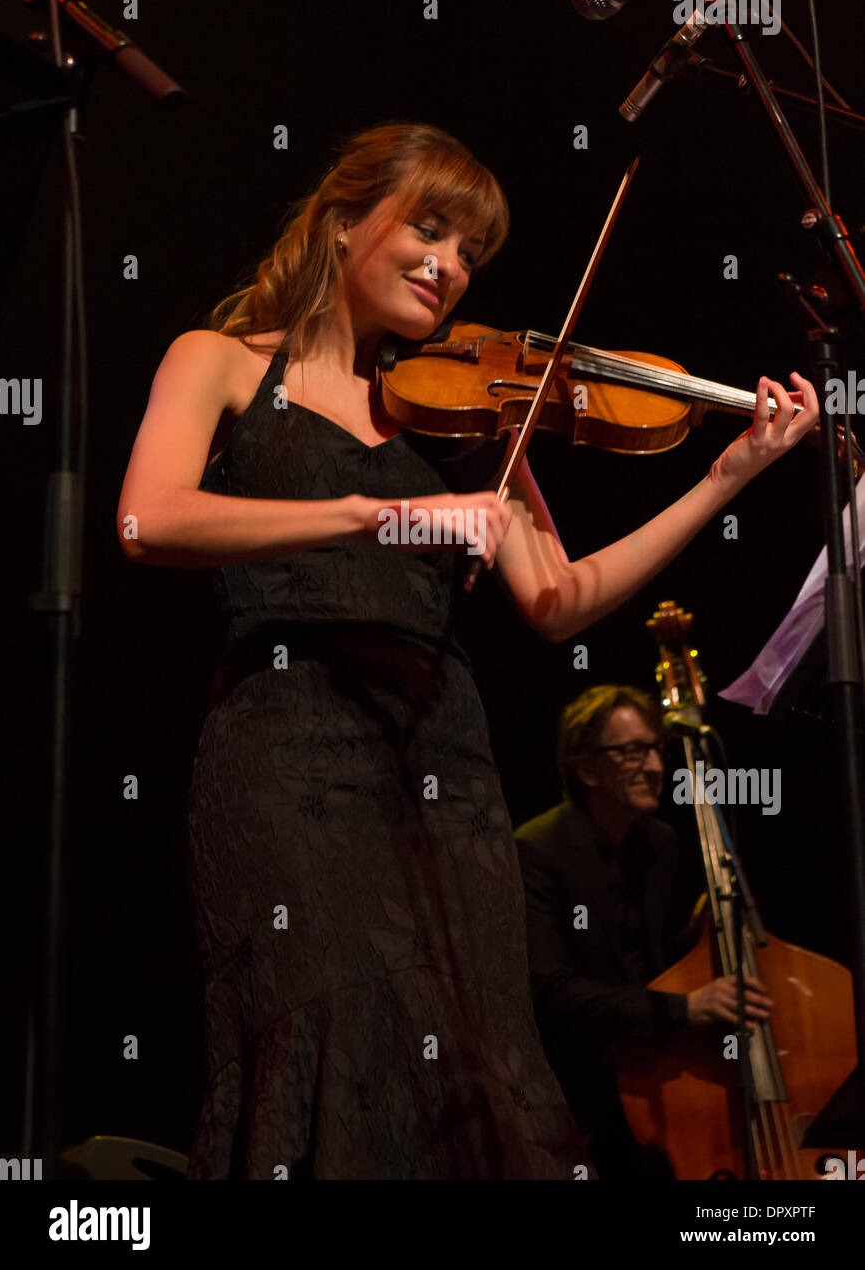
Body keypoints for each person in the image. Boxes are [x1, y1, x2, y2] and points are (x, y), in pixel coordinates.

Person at [116, 121, 814, 1180]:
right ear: (344, 221)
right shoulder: (221, 363)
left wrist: (726, 475)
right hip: (287, 745)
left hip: (444, 767)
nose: (448, 267)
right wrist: (366, 516)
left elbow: (561, 599)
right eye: (429, 230)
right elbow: (149, 520)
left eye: (470, 252)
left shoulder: (469, 415)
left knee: (470, 1058)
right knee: (328, 1022)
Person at [514, 685, 773, 1179]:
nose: (655, 767)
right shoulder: (537, 850)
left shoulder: (660, 843)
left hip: (654, 1068)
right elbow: (548, 990)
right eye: (633, 752)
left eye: (657, 749)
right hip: (580, 1088)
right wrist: (686, 1007)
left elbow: (647, 960)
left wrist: (694, 938)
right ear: (587, 767)